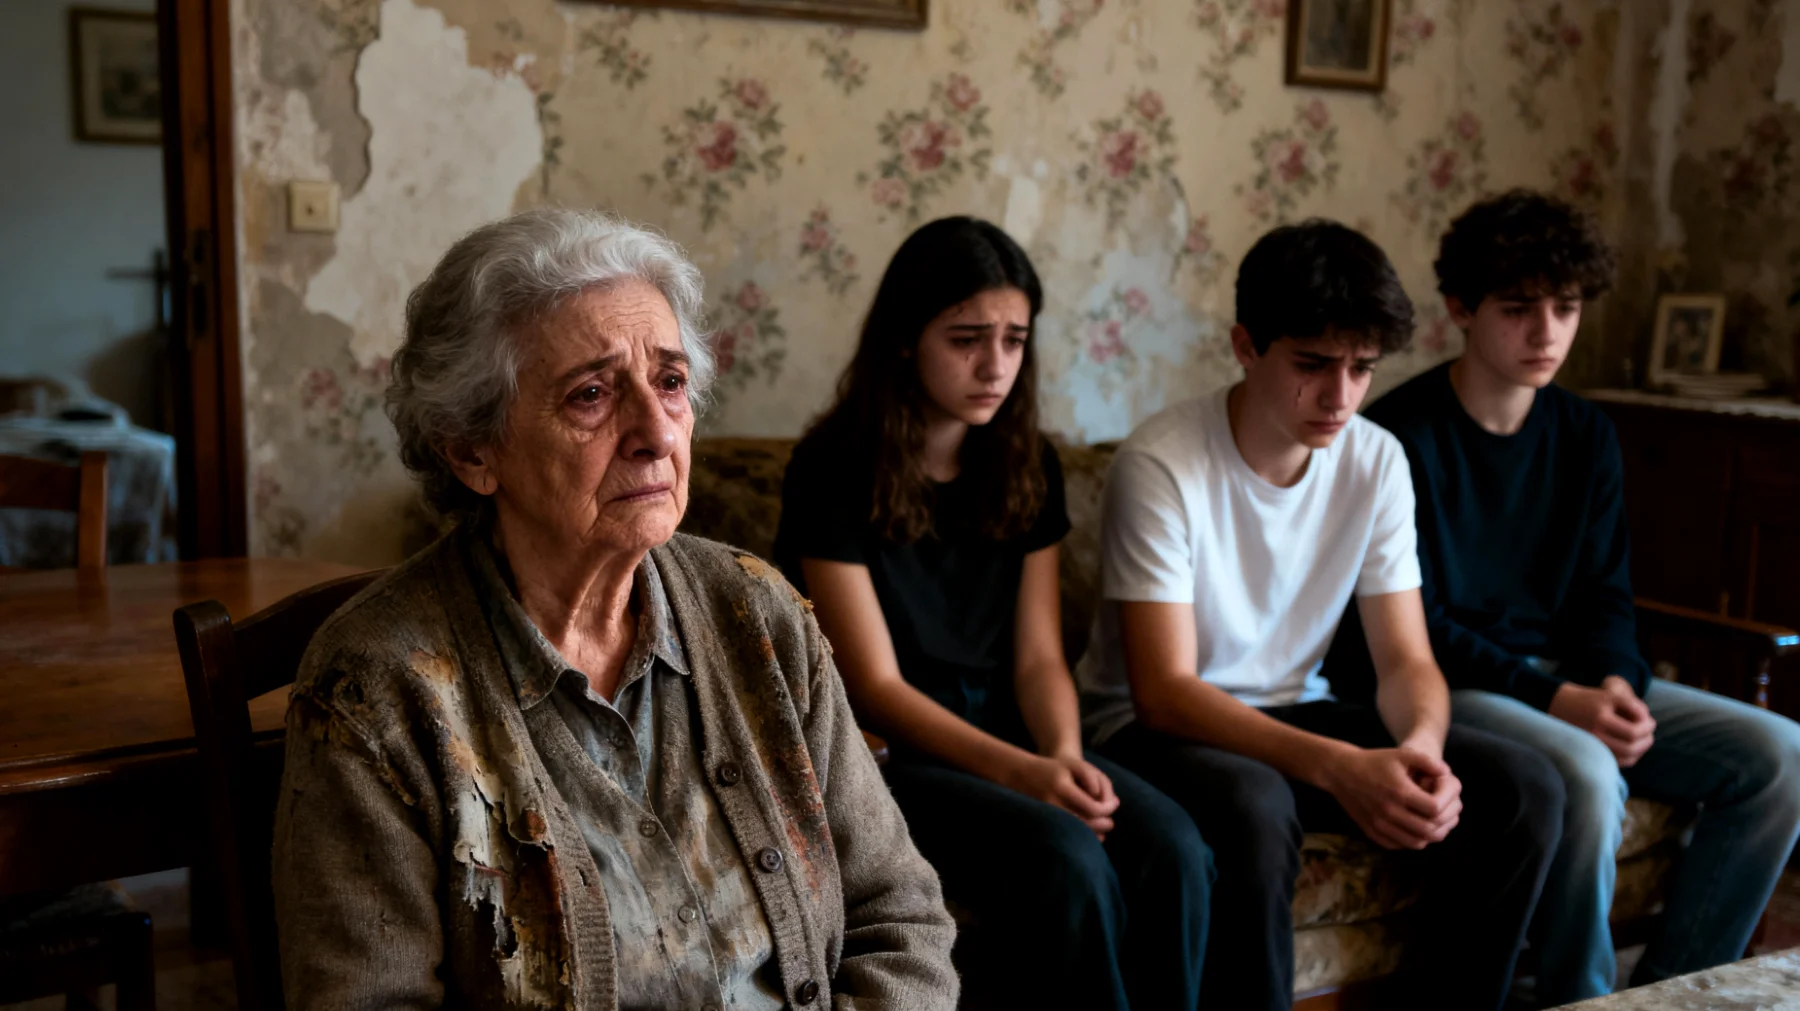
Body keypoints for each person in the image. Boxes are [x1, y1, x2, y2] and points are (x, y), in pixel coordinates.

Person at [271, 208, 958, 1010]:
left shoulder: (758, 615)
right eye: (592, 394)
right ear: (471, 450)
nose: (657, 432)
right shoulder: (377, 687)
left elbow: (900, 914)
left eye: (669, 382)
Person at [1076, 219, 1564, 1011]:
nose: (1340, 395)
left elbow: (1406, 659)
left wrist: (1421, 752)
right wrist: (1339, 766)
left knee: (1525, 787)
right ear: (1245, 344)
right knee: (1254, 803)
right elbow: (1163, 688)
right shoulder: (1162, 462)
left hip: (1293, 712)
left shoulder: (1375, 459)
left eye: (1362, 367)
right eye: (1312, 364)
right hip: (1153, 729)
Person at [1353, 188, 1800, 1003]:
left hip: (1570, 680)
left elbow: (1606, 592)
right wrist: (1561, 699)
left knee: (1781, 755)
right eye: (1518, 308)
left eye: (1565, 307)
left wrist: (1617, 681)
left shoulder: (1586, 433)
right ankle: (1584, 995)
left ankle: (1668, 988)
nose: (1547, 331)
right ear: (1460, 307)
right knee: (1589, 774)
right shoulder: (1398, 439)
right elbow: (1422, 631)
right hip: (1457, 685)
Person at [774, 216, 1214, 1010]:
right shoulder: (832, 465)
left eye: (1015, 339)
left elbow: (1041, 657)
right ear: (907, 338)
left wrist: (1065, 756)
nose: (996, 364)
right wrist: (1028, 775)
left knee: (1176, 845)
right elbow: (874, 686)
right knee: (1068, 854)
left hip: (1015, 736)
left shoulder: (1027, 462)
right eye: (967, 339)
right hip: (892, 759)